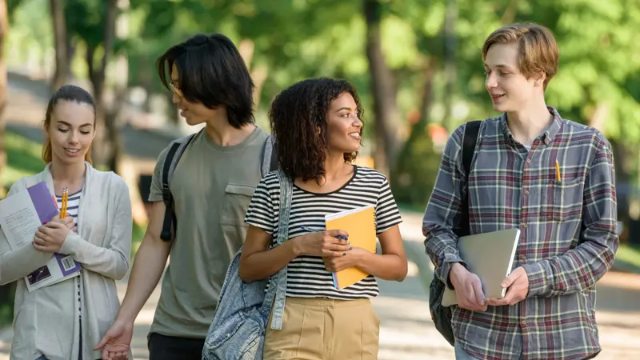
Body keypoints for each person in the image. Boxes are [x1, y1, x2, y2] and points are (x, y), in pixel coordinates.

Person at [423, 23, 618, 360]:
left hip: (563, 343)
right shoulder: (466, 142)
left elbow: (602, 246)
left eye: (503, 72)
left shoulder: (589, 147)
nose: (490, 83)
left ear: (538, 75)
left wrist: (536, 277)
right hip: (480, 342)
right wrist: (454, 270)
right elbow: (437, 227)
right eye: (488, 71)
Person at [95, 33, 274, 360]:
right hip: (173, 333)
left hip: (244, 335)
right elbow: (155, 241)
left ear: (215, 83)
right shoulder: (174, 157)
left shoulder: (275, 160)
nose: (175, 97)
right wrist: (126, 318)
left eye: (182, 87)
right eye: (174, 86)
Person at [238, 78, 408, 360]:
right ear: (314, 126)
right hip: (292, 322)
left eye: (356, 113)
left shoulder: (374, 185)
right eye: (344, 115)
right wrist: (299, 245)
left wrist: (355, 258)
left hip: (356, 323)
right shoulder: (274, 187)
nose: (357, 123)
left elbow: (399, 267)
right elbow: (248, 267)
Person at [0, 84, 133, 360]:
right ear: (46, 127)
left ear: (95, 131)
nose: (74, 139)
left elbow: (120, 265)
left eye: (84, 130)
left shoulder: (113, 188)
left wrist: (70, 243)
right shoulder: (23, 190)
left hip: (99, 339)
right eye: (63, 128)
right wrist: (42, 248)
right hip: (38, 343)